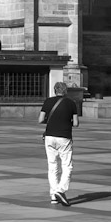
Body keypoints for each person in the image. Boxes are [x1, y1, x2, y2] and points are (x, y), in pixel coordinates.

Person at [38, 79, 80, 207]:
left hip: (50, 136)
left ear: (55, 90)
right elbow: (76, 123)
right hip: (64, 137)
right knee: (67, 166)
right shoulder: (71, 103)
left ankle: (53, 195)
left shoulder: (48, 101)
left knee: (52, 166)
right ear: (65, 91)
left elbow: (40, 120)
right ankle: (61, 190)